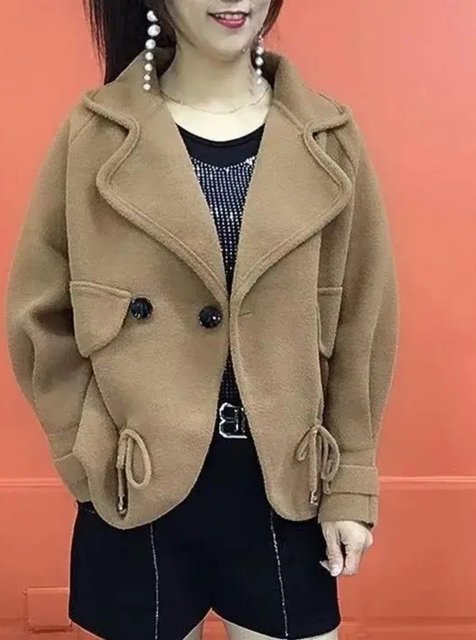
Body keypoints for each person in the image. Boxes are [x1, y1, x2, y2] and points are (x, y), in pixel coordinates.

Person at [4, 1, 399, 639]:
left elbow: (362, 320)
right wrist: (84, 451)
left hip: (287, 484)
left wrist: (351, 481)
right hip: (135, 482)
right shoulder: (97, 132)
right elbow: (39, 314)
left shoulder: (327, 136)